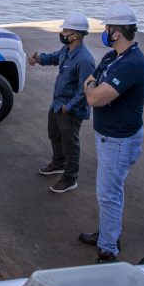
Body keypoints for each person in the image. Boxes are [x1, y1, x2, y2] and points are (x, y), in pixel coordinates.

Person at [79, 4, 144, 264]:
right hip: (110, 138)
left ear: (116, 33)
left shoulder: (132, 64)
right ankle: (109, 233)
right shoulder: (113, 58)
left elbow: (95, 97)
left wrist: (92, 86)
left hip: (119, 142)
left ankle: (108, 250)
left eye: (107, 28)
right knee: (111, 192)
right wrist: (92, 84)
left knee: (108, 195)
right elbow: (91, 79)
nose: (105, 32)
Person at [28, 13, 96, 193]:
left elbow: (86, 90)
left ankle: (70, 178)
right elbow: (53, 58)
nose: (62, 33)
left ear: (75, 35)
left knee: (70, 143)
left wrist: (69, 107)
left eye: (66, 30)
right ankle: (58, 163)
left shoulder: (84, 59)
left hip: (70, 110)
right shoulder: (66, 50)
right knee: (54, 135)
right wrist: (38, 58)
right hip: (57, 104)